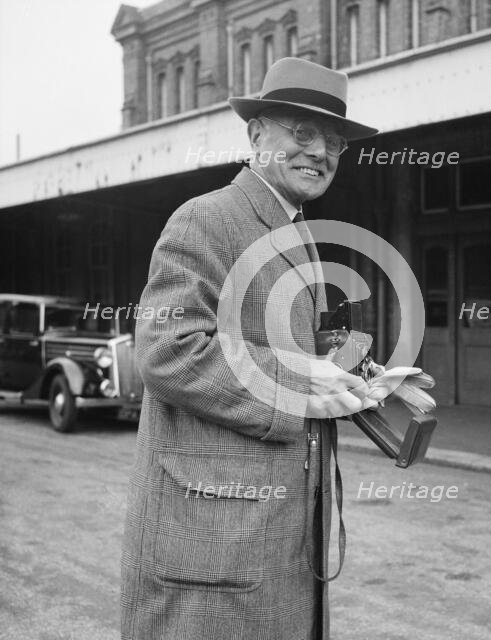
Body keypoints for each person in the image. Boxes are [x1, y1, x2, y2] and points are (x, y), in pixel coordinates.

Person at [120, 57, 379, 640]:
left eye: (334, 142)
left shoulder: (294, 232)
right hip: (211, 538)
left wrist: (356, 375)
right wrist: (299, 380)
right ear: (256, 134)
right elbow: (166, 349)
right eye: (302, 132)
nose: (320, 152)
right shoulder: (205, 219)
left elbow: (279, 346)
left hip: (265, 530)